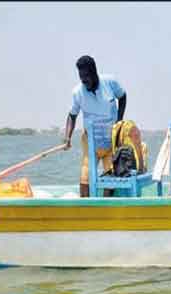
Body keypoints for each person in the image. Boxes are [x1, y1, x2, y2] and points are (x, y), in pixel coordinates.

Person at [62, 55, 127, 197]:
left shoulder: (110, 82)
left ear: (94, 72)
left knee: (110, 177)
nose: (84, 80)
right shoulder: (77, 92)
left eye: (86, 76)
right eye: (81, 77)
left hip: (111, 142)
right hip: (91, 143)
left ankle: (105, 208)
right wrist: (67, 137)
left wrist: (119, 121)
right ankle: (84, 209)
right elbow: (72, 116)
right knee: (85, 177)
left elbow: (122, 97)